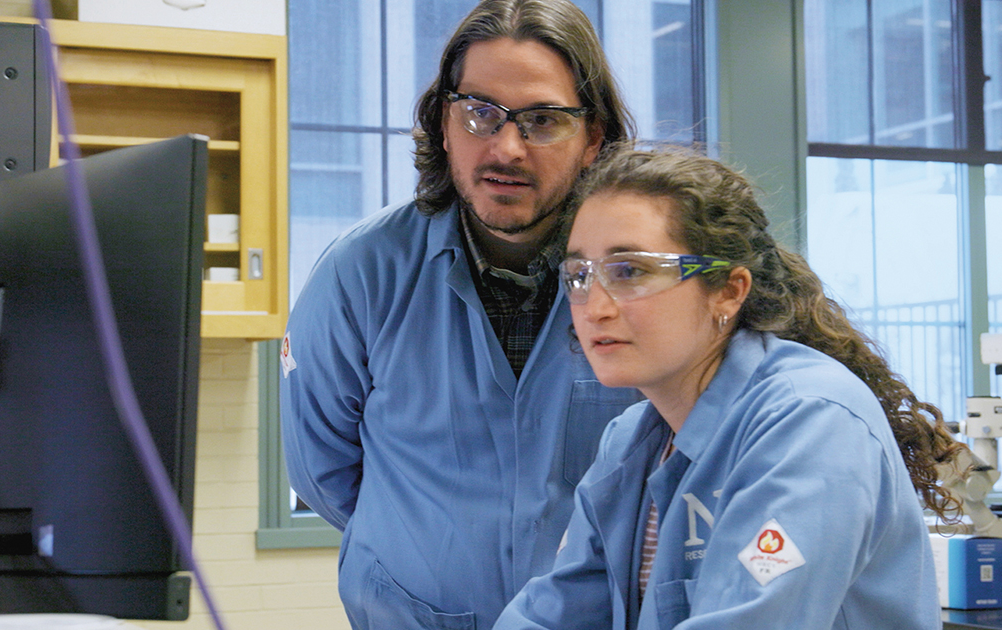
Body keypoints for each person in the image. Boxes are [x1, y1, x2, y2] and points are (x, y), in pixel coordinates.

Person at [494, 143, 964, 630]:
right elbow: (551, 615)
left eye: (629, 271)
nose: (595, 307)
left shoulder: (810, 422)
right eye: (580, 275)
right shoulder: (631, 441)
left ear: (728, 290)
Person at [279, 1, 642, 628]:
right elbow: (324, 474)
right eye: (479, 113)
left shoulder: (642, 284)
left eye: (544, 120)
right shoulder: (360, 274)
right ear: (443, 124)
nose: (506, 147)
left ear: (593, 140)